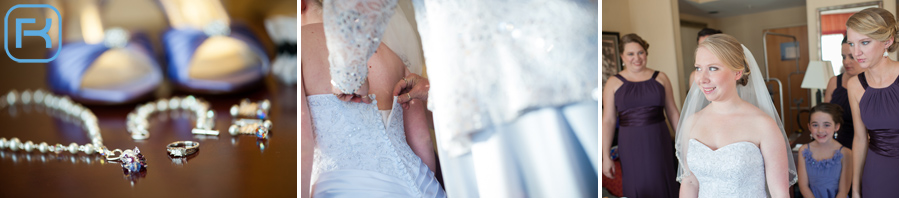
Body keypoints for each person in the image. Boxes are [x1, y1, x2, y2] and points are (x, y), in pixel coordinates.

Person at [300, 0, 445, 197]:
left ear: (302, 5)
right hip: (421, 184)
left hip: (347, 187)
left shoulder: (303, 45)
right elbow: (422, 139)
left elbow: (304, 146)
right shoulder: (393, 57)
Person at [675, 34, 797, 197]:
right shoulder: (691, 122)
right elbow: (690, 181)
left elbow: (779, 193)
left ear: (737, 72)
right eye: (698, 68)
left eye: (713, 68)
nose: (702, 79)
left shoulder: (763, 125)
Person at [600, 33, 680, 197]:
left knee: (663, 181)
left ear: (646, 53)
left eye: (640, 52)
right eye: (630, 54)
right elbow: (608, 120)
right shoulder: (613, 83)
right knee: (638, 184)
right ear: (622, 56)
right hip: (630, 144)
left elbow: (672, 112)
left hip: (658, 140)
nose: (636, 58)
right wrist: (605, 156)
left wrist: (685, 142)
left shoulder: (661, 78)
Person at [844, 8, 899, 198]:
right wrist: (856, 189)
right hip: (875, 172)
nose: (855, 52)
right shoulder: (854, 85)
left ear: (888, 41)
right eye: (851, 43)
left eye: (864, 42)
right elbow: (860, 139)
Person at [798, 103, 852, 198]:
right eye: (815, 125)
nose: (820, 130)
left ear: (836, 127)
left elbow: (843, 192)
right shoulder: (804, 150)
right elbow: (803, 186)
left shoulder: (846, 153)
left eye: (826, 125)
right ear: (809, 127)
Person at [824, 34, 866, 148]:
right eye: (843, 57)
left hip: (864, 145)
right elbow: (825, 116)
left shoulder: (873, 83)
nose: (846, 62)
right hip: (835, 145)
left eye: (851, 57)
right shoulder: (834, 82)